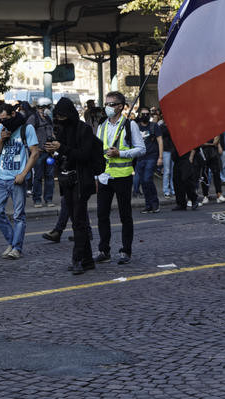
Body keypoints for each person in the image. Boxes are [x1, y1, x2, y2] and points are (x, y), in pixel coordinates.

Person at [43, 98, 103, 274]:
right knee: (78, 220)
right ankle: (87, 260)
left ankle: (77, 259)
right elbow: (62, 156)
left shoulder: (83, 129)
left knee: (78, 222)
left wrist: (62, 148)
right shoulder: (62, 129)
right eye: (58, 117)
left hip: (81, 180)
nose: (61, 120)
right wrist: (53, 152)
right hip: (66, 180)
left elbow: (83, 155)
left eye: (63, 116)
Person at [96, 91, 146, 265]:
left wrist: (121, 153)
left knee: (125, 216)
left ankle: (126, 251)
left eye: (111, 104)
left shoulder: (129, 125)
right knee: (102, 215)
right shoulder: (102, 126)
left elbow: (141, 149)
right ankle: (104, 250)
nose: (107, 107)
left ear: (120, 106)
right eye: (106, 104)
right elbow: (97, 150)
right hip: (104, 177)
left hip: (123, 176)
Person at [0, 103, 39, 259]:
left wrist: (23, 174)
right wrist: (1, 140)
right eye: (1, 119)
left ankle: (16, 248)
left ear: (13, 114)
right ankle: (12, 242)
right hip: (1, 177)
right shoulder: (3, 129)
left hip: (17, 178)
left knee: (19, 215)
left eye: (5, 118)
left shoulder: (27, 129)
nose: (3, 122)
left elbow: (35, 153)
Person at [26, 97, 55, 208]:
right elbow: (27, 135)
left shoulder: (48, 119)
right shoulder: (33, 119)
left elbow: (52, 133)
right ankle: (37, 199)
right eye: (47, 107)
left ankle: (48, 199)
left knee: (50, 176)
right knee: (37, 177)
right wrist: (33, 148)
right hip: (38, 154)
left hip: (49, 153)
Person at [135, 106, 163, 214]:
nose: (145, 116)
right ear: (139, 115)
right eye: (143, 114)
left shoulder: (154, 126)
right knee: (143, 182)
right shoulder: (136, 127)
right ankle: (148, 205)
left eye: (147, 114)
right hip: (140, 158)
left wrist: (160, 157)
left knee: (147, 179)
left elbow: (160, 141)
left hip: (151, 157)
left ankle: (155, 204)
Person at [199, 136, 225, 204]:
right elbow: (201, 143)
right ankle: (205, 195)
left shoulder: (213, 130)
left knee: (216, 174)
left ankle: (219, 195)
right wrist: (212, 144)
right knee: (204, 175)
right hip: (204, 153)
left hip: (213, 153)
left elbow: (216, 140)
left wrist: (210, 144)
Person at [159, 115, 175, 198]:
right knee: (167, 171)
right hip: (166, 150)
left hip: (172, 150)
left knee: (172, 171)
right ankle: (166, 190)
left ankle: (172, 189)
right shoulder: (162, 127)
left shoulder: (173, 125)